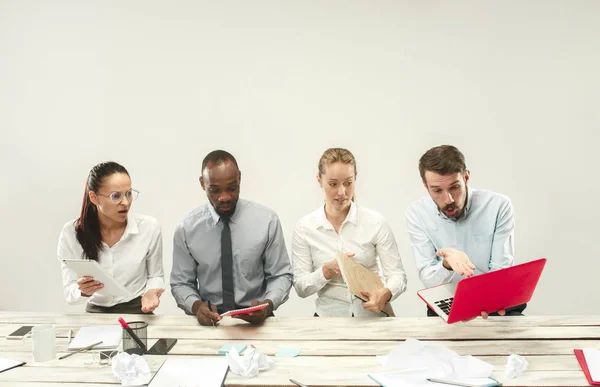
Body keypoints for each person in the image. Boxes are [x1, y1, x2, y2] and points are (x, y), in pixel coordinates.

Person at [170, 150, 292, 326]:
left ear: (240, 178)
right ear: (202, 184)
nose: (224, 197)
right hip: (210, 322)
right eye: (214, 190)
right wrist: (196, 307)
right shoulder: (187, 228)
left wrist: (267, 305)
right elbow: (181, 283)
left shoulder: (267, 221)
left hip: (257, 321)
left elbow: (280, 275)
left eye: (232, 188)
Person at [405, 145, 524, 318]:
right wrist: (447, 264)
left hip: (493, 298)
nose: (449, 199)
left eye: (454, 187)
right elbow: (428, 278)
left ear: (466, 177)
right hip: (447, 301)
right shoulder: (417, 213)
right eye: (437, 190)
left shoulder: (498, 206)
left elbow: (501, 269)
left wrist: (482, 301)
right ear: (426, 186)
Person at [291, 148, 407, 317]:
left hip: (373, 317)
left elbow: (397, 276)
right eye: (333, 184)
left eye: (348, 183)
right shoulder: (305, 227)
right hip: (328, 319)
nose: (342, 192)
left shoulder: (375, 222)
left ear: (355, 179)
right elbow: (301, 287)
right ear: (319, 180)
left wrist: (386, 293)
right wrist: (326, 271)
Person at [57, 161, 165, 314]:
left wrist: (151, 292)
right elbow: (69, 292)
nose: (126, 202)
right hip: (95, 314)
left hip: (138, 311)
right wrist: (82, 290)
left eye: (129, 193)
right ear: (94, 198)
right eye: (116, 196)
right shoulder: (71, 233)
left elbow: (156, 275)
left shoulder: (149, 227)